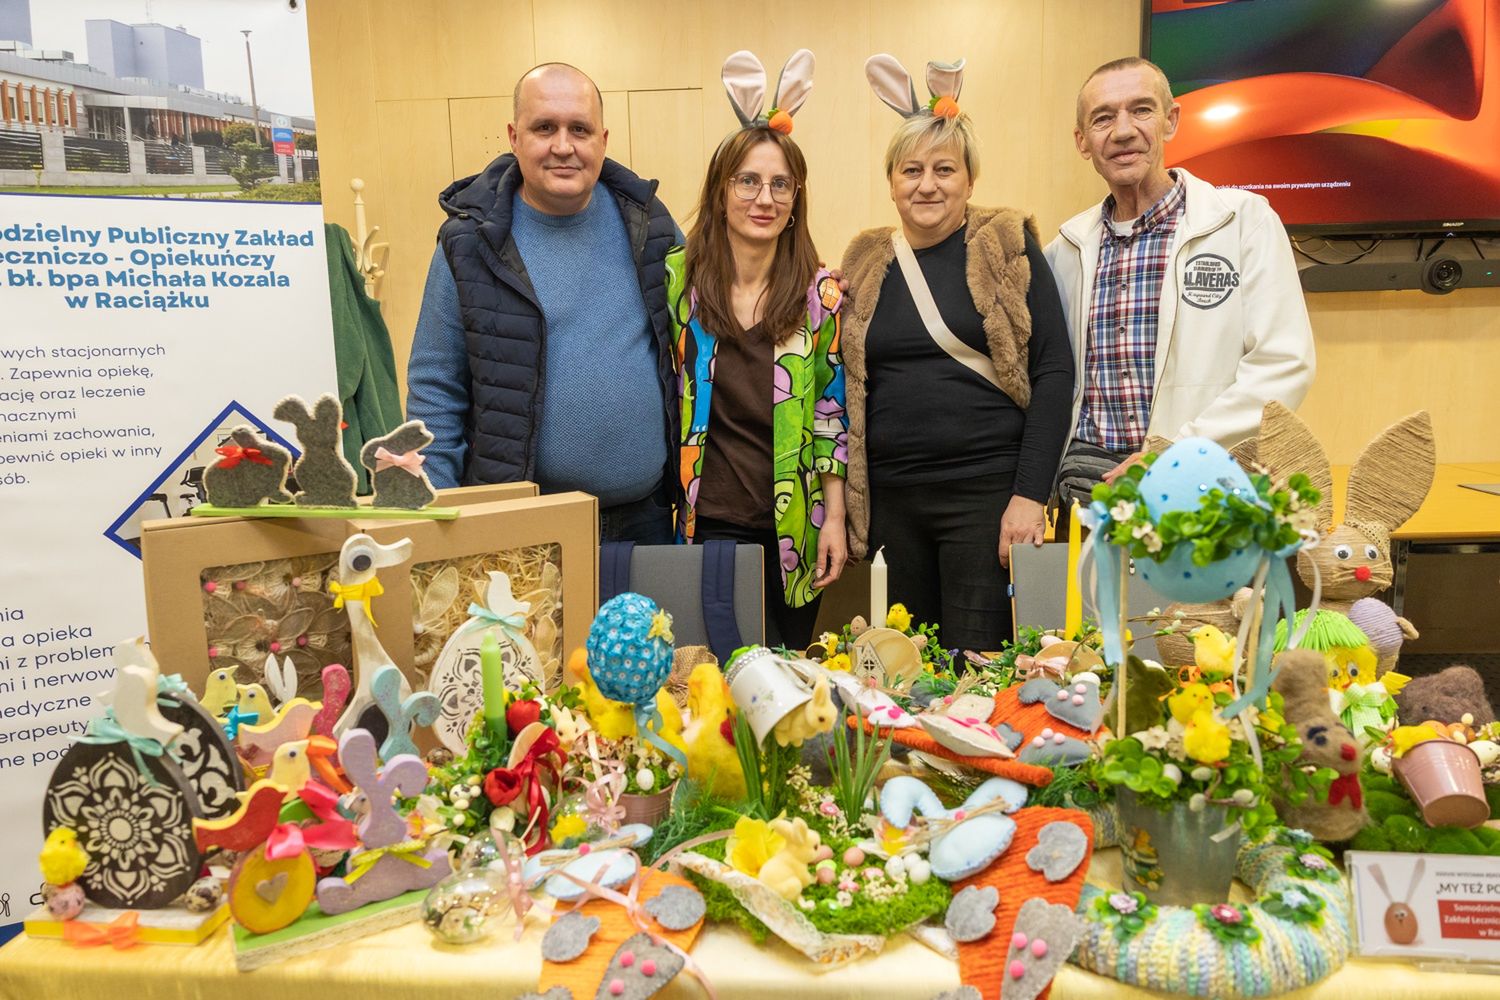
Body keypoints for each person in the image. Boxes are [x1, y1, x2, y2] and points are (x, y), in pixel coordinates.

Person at [841, 55, 1075, 651]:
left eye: (945, 169)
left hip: (987, 496)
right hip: (895, 503)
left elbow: (1053, 371)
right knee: (907, 668)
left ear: (970, 180)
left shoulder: (1005, 242)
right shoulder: (865, 260)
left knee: (978, 666)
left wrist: (1030, 495)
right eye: (911, 169)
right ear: (890, 180)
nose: (927, 184)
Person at [405, 62, 679, 543]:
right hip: (519, 526)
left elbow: (722, 308)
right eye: (544, 128)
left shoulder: (649, 225)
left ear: (603, 139)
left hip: (645, 519)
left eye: (580, 129)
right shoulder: (467, 244)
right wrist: (441, 521)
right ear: (514, 136)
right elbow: (436, 391)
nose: (563, 146)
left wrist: (817, 291)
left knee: (650, 625)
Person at [1045, 56, 1315, 509]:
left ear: (1171, 121)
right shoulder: (1065, 250)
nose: (1124, 130)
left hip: (1204, 492)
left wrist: (1172, 453)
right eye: (1103, 118)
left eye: (1142, 110)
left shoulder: (1243, 223)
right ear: (1082, 141)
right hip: (1088, 496)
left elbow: (1283, 364)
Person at [668, 49, 848, 650]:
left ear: (796, 200)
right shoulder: (679, 286)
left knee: (789, 688)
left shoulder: (821, 295)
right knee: (712, 685)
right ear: (721, 192)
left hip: (794, 529)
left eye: (780, 184)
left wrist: (836, 519)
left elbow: (830, 414)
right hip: (707, 523)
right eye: (748, 180)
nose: (763, 197)